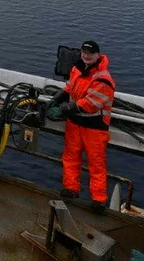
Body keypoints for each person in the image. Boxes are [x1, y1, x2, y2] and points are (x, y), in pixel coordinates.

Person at [47, 40, 116, 213]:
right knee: (70, 157)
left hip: (94, 127)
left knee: (96, 163)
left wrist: (65, 108)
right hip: (75, 123)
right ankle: (71, 189)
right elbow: (70, 87)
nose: (86, 55)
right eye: (84, 52)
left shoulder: (103, 78)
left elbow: (92, 103)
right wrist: (57, 98)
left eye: (90, 53)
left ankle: (98, 199)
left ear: (98, 55)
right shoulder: (77, 69)